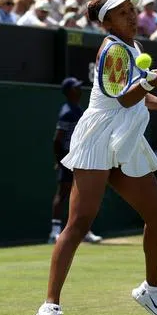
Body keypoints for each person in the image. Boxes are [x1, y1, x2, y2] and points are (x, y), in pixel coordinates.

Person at [36, 0, 157, 315]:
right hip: (98, 138)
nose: (131, 16)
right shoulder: (111, 49)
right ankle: (48, 308)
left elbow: (136, 96)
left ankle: (151, 291)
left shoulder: (132, 46)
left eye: (132, 10)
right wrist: (148, 82)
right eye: (122, 13)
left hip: (125, 137)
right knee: (79, 223)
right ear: (107, 23)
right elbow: (125, 96)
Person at [48, 77, 103, 246]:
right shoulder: (67, 112)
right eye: (76, 88)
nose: (79, 90)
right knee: (63, 193)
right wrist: (60, 160)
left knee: (83, 196)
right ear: (69, 91)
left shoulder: (77, 109)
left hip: (80, 157)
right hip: (69, 158)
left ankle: (84, 231)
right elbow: (57, 139)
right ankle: (55, 232)